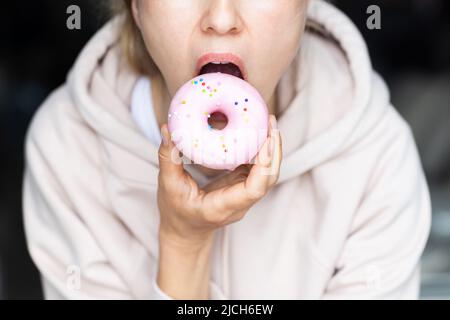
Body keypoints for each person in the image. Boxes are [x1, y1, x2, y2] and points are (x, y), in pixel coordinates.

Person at [22, 0, 431, 299]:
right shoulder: (67, 149)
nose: (221, 18)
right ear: (135, 7)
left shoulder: (376, 157)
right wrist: (184, 242)